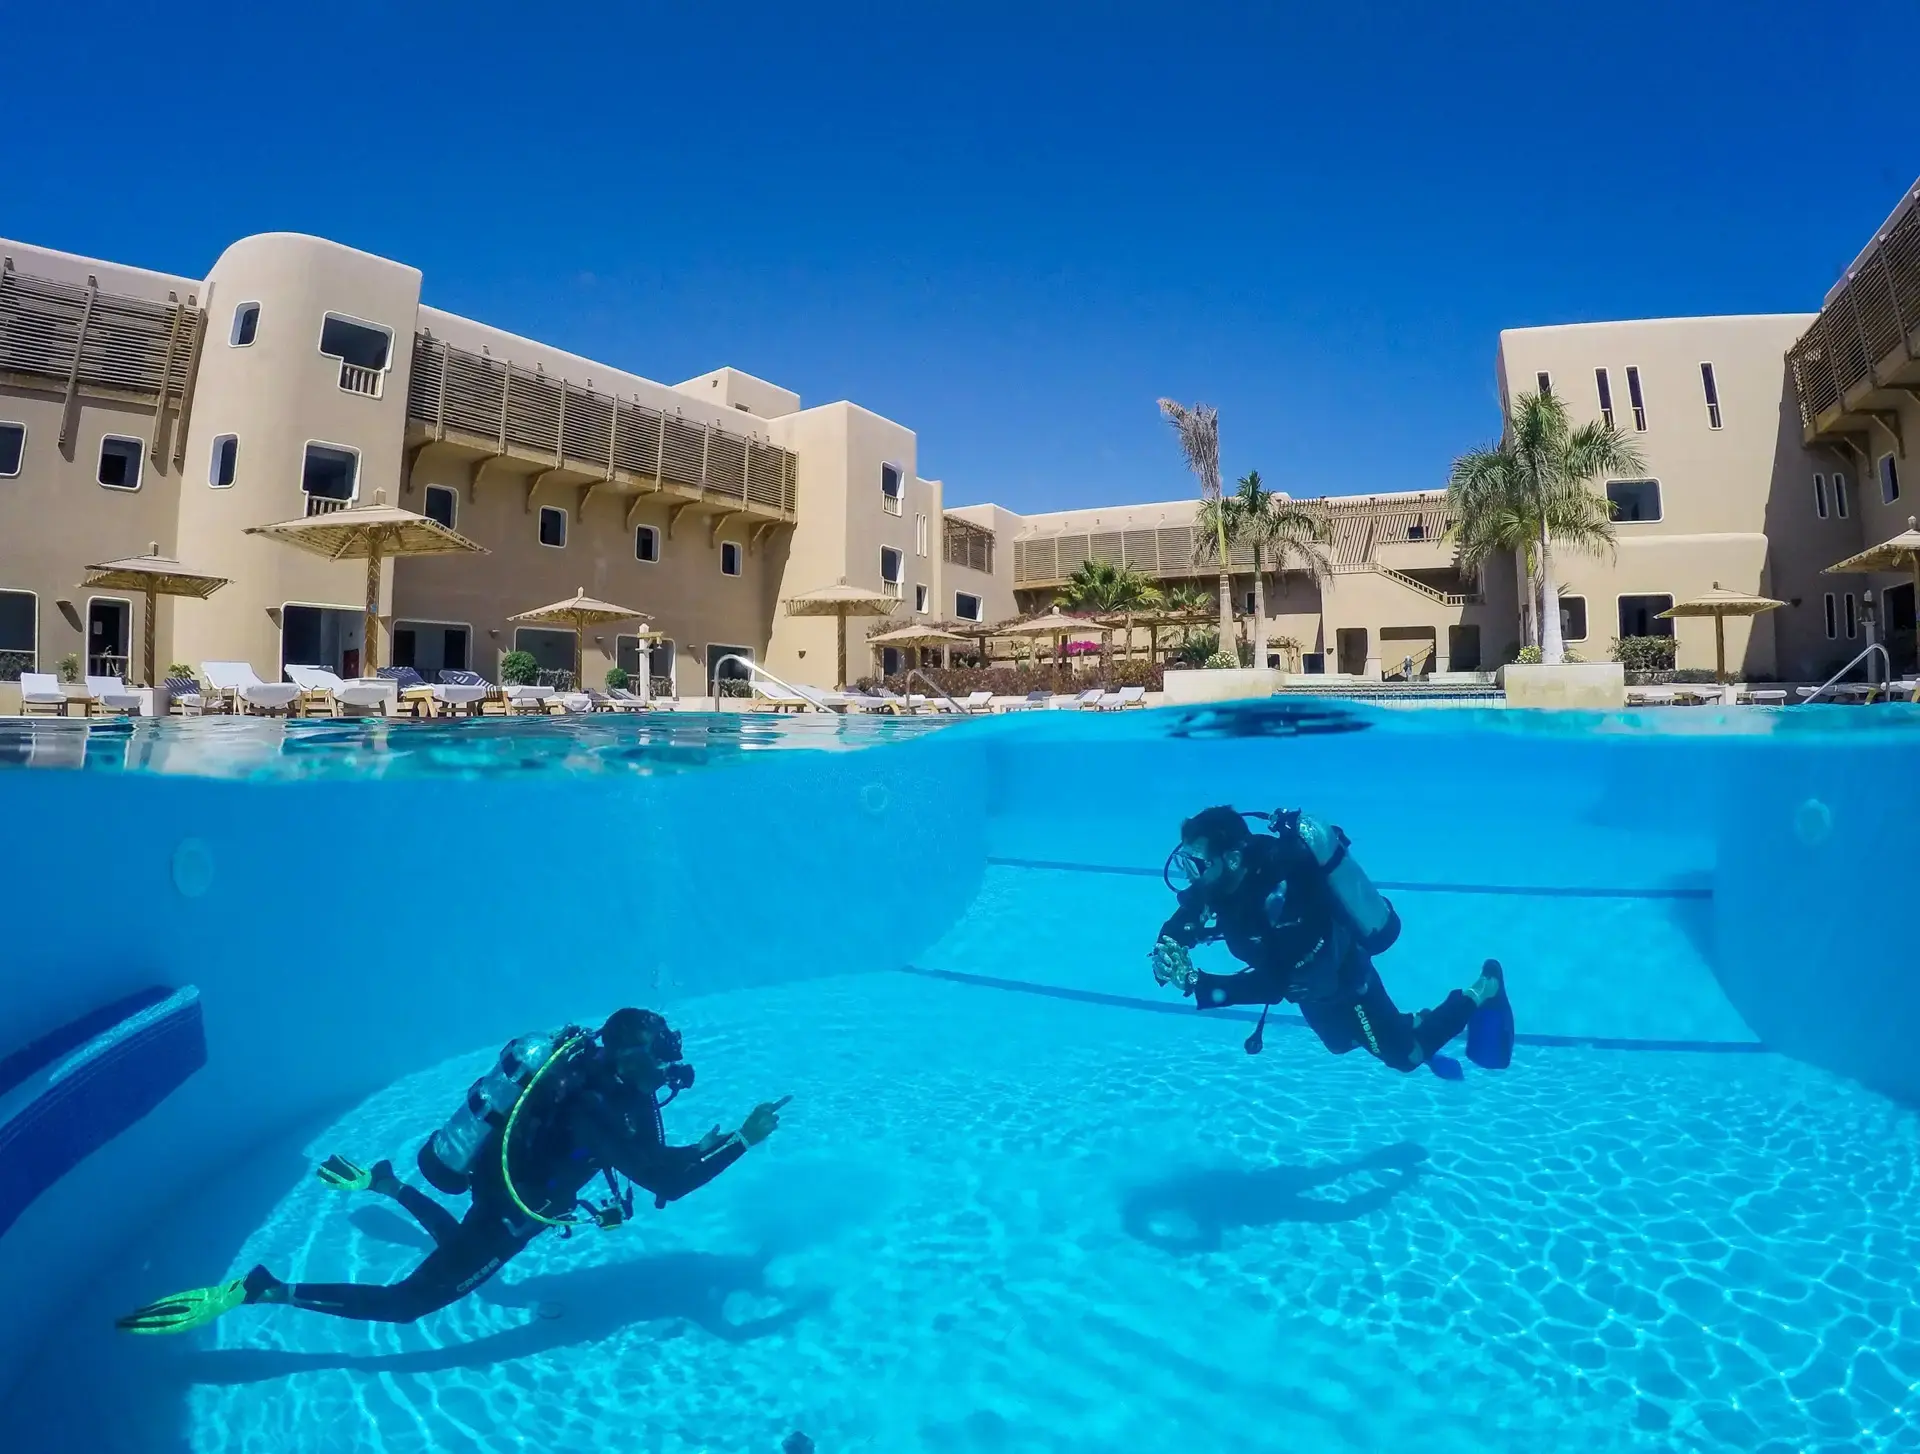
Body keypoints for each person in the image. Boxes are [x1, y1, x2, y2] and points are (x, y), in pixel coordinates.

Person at [117, 1008, 790, 1333]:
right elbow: (666, 1182)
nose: (658, 1083)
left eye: (661, 1068)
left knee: (476, 1248)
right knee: (411, 1303)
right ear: (620, 1060)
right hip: (509, 1210)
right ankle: (263, 1289)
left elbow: (654, 1162)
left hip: (503, 1194)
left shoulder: (613, 1088)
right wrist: (744, 1140)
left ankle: (390, 1183)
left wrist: (709, 1140)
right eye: (649, 1069)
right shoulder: (593, 1106)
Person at [1149, 805, 1513, 1076]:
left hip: (1349, 984)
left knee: (1406, 1057)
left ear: (1230, 859)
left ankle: (1482, 990)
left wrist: (1198, 984)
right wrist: (1169, 944)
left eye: (1196, 864)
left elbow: (1273, 983)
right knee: (1341, 1044)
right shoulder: (1223, 882)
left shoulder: (1282, 894)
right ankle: (1407, 1024)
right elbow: (1190, 912)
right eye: (1185, 864)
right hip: (1312, 990)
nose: (1191, 877)